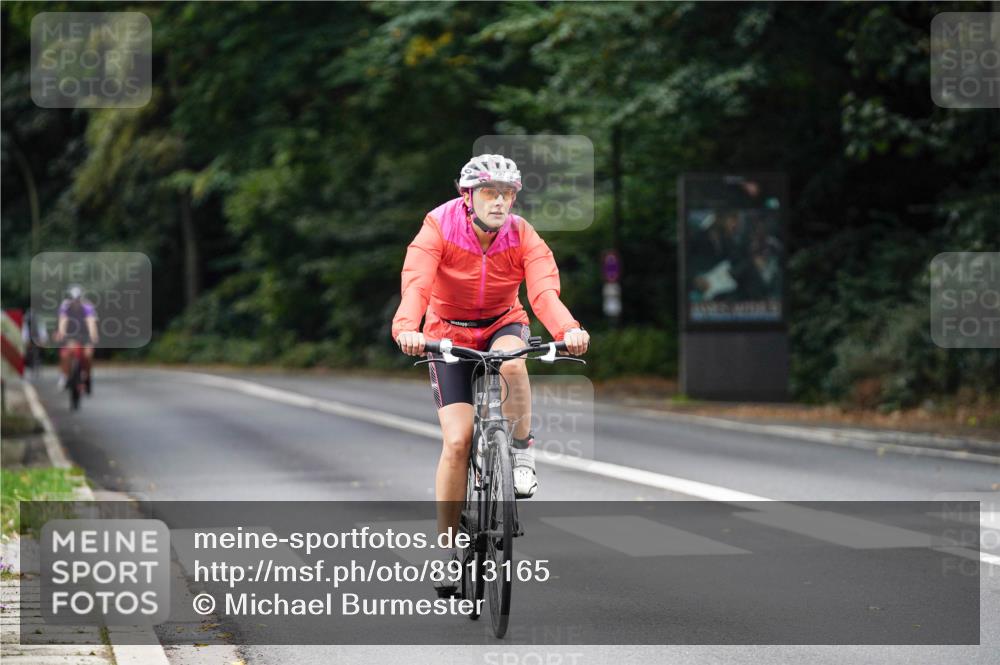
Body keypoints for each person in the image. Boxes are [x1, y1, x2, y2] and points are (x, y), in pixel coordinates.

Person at [392, 154, 589, 593]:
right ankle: (445, 551)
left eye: (507, 194)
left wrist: (569, 329)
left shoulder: (522, 234)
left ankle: (520, 452)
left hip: (503, 324)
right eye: (489, 193)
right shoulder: (439, 226)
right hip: (447, 333)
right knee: (458, 440)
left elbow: (542, 290)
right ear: (468, 197)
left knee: (515, 361)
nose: (499, 202)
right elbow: (417, 284)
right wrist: (407, 328)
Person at [54, 285, 99, 392]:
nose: (76, 302)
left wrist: (93, 335)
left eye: (78, 300)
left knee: (88, 355)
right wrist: (61, 333)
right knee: (66, 354)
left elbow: (91, 322)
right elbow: (63, 321)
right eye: (74, 300)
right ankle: (65, 376)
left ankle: (86, 376)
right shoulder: (65, 306)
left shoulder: (87, 307)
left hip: (85, 335)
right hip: (71, 335)